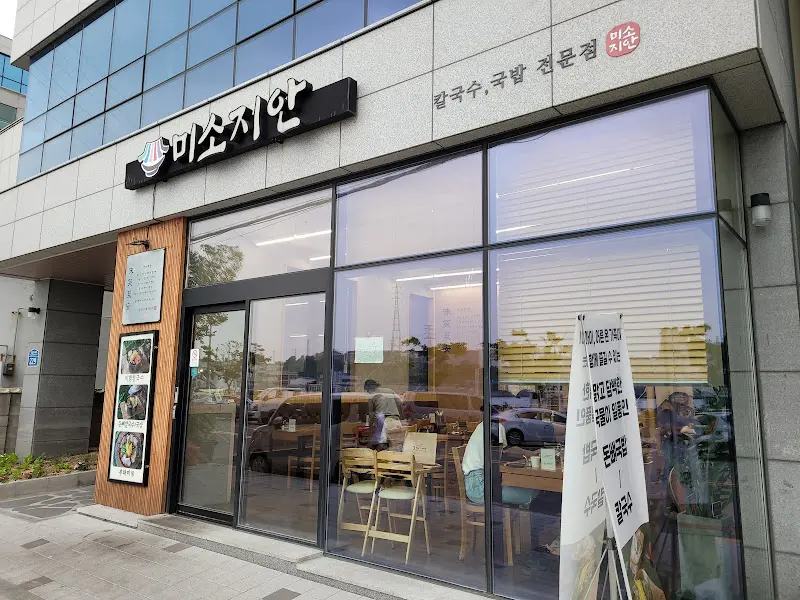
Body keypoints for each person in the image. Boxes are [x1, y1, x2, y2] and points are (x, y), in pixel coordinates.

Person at [461, 409, 535, 507]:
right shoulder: (496, 427)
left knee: (523, 488)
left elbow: (502, 452)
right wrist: (532, 454)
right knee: (529, 494)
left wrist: (530, 453)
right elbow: (506, 451)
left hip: (473, 485)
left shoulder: (484, 425)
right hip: (481, 488)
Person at [365, 379, 404, 450]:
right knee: (397, 445)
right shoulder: (389, 391)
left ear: (369, 388)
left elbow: (371, 415)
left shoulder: (372, 396)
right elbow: (400, 403)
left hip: (383, 421)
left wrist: (370, 429)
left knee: (382, 446)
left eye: (367, 390)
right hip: (395, 419)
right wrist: (402, 418)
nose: (367, 392)